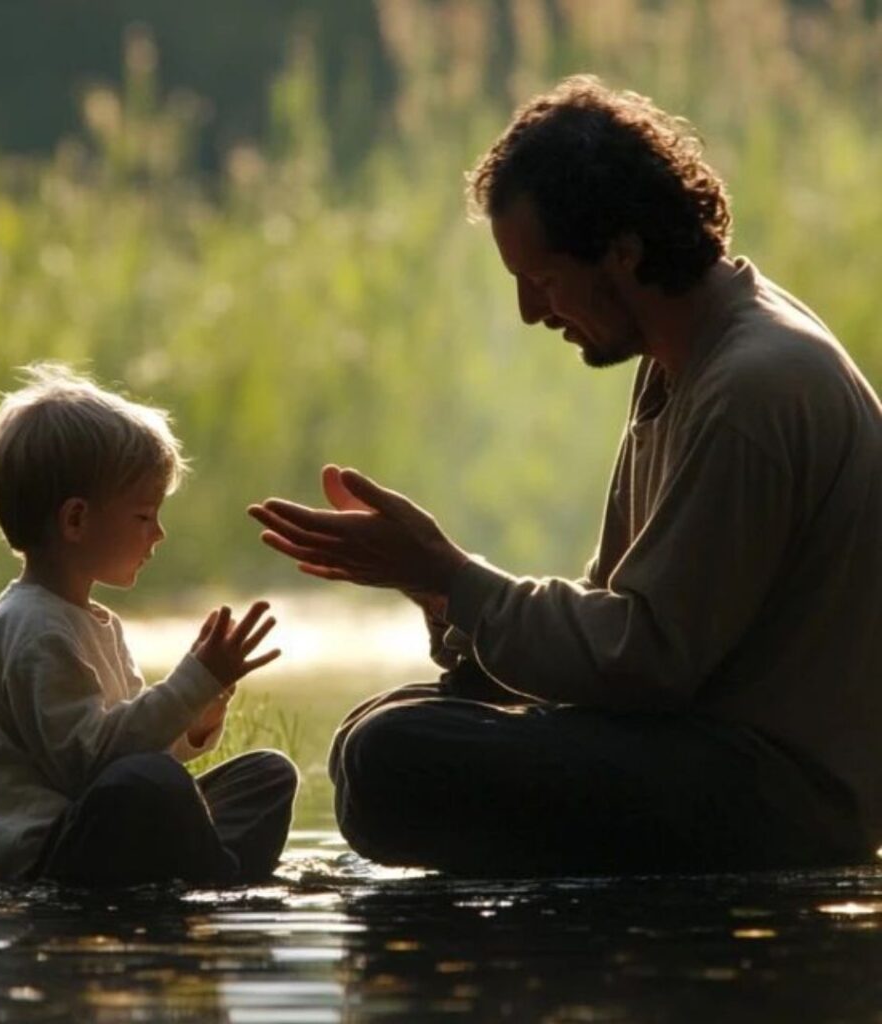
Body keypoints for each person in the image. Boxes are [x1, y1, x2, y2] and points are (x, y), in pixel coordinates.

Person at [248, 76, 882, 876]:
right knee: (383, 729)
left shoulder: (751, 388)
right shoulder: (681, 362)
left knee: (392, 756)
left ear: (623, 250)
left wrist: (459, 579)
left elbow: (646, 659)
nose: (530, 312)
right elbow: (616, 620)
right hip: (700, 746)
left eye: (543, 280)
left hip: (784, 800)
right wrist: (444, 594)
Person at [0, 364, 297, 886]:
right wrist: (190, 681)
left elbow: (139, 745)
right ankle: (219, 878)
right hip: (49, 850)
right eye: (143, 516)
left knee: (267, 775)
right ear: (75, 520)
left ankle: (205, 868)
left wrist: (200, 714)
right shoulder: (32, 629)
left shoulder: (97, 623)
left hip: (107, 811)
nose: (158, 534)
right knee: (148, 784)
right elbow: (92, 767)